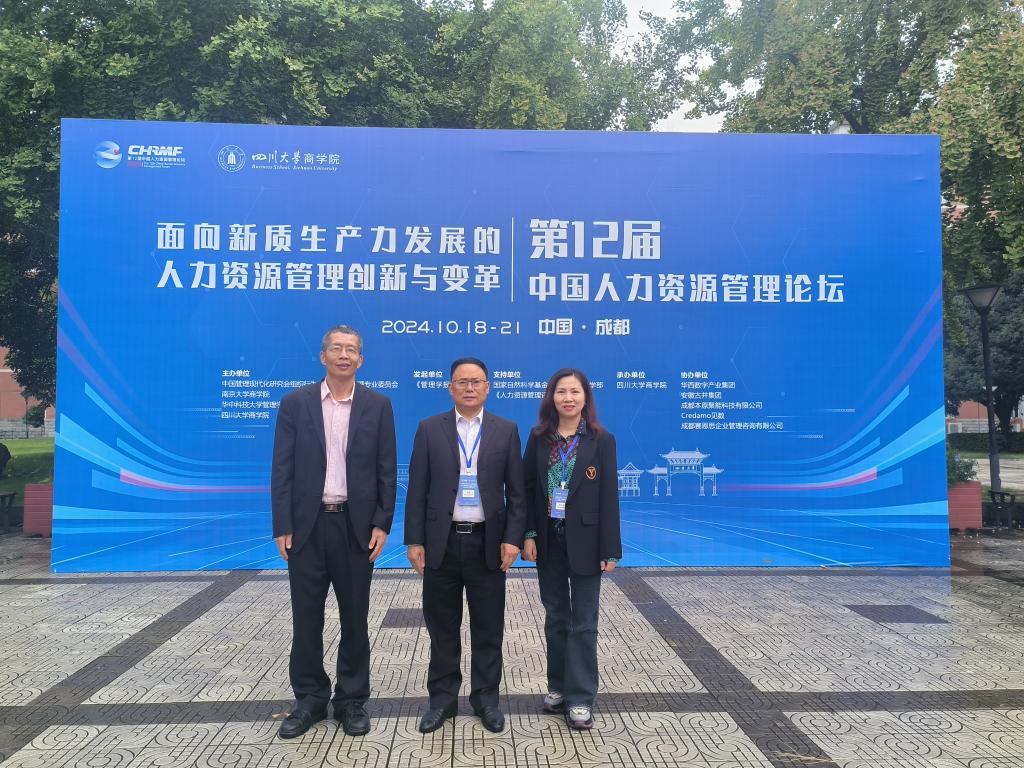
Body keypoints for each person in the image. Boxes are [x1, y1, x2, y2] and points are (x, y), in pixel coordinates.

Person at [271, 325, 397, 739]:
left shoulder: (378, 405)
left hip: (355, 529)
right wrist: (282, 524)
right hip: (307, 529)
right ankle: (309, 698)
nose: (344, 355)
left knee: (355, 618)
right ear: (322, 355)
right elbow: (282, 468)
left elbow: (386, 469)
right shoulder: (296, 403)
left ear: (361, 359)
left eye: (351, 350)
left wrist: (381, 523)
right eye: (337, 348)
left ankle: (351, 700)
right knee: (306, 618)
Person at [404, 357, 526, 733]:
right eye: (462, 382)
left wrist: (512, 539)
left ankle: (486, 700)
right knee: (442, 628)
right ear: (450, 388)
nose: (469, 388)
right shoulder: (429, 429)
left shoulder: (506, 430)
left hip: (487, 545)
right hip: (441, 544)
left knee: (488, 628)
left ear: (487, 387)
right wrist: (414, 540)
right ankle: (442, 701)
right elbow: (417, 489)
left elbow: (517, 493)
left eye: (476, 382)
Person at [521, 367, 621, 730]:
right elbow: (527, 490)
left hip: (588, 543)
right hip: (548, 540)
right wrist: (528, 534)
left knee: (584, 623)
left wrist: (610, 549)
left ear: (585, 398)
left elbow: (609, 496)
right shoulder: (539, 438)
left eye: (575, 392)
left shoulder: (601, 440)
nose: (568, 398)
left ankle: (580, 697)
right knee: (556, 618)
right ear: (551, 397)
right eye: (561, 391)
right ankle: (558, 687)